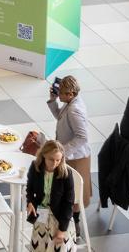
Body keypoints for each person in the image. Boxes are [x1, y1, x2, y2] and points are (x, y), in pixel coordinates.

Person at [47, 75, 92, 207]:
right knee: (70, 193)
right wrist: (53, 100)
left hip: (75, 157)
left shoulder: (74, 110)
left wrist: (63, 152)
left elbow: (82, 137)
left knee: (74, 195)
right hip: (71, 155)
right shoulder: (71, 103)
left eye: (60, 92)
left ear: (70, 93)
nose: (58, 94)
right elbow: (59, 116)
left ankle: (76, 222)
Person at [25, 139, 75, 251]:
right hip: (42, 212)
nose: (55, 163)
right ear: (43, 156)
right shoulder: (35, 167)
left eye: (58, 160)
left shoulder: (66, 174)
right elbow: (29, 189)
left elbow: (69, 203)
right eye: (51, 159)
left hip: (61, 216)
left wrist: (62, 229)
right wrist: (30, 202)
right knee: (39, 246)